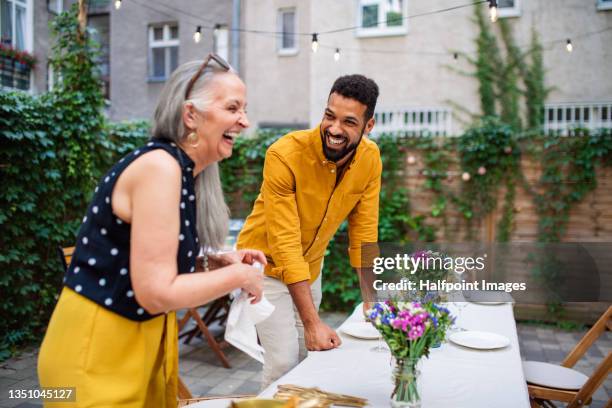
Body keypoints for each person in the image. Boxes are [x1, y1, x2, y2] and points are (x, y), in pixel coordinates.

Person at [37, 54, 265, 407]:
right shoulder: (160, 168)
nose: (245, 121)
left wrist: (216, 264)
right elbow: (157, 292)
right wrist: (239, 275)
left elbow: (150, 267)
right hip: (97, 351)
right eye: (233, 108)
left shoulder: (182, 173)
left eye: (244, 109)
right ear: (191, 115)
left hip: (136, 343)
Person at [237, 74, 382, 388]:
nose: (333, 129)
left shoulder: (371, 160)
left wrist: (371, 299)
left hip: (311, 266)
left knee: (310, 357)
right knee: (283, 363)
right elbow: (285, 242)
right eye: (329, 116)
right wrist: (313, 322)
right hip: (265, 266)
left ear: (369, 126)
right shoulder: (284, 154)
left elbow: (365, 229)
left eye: (348, 122)